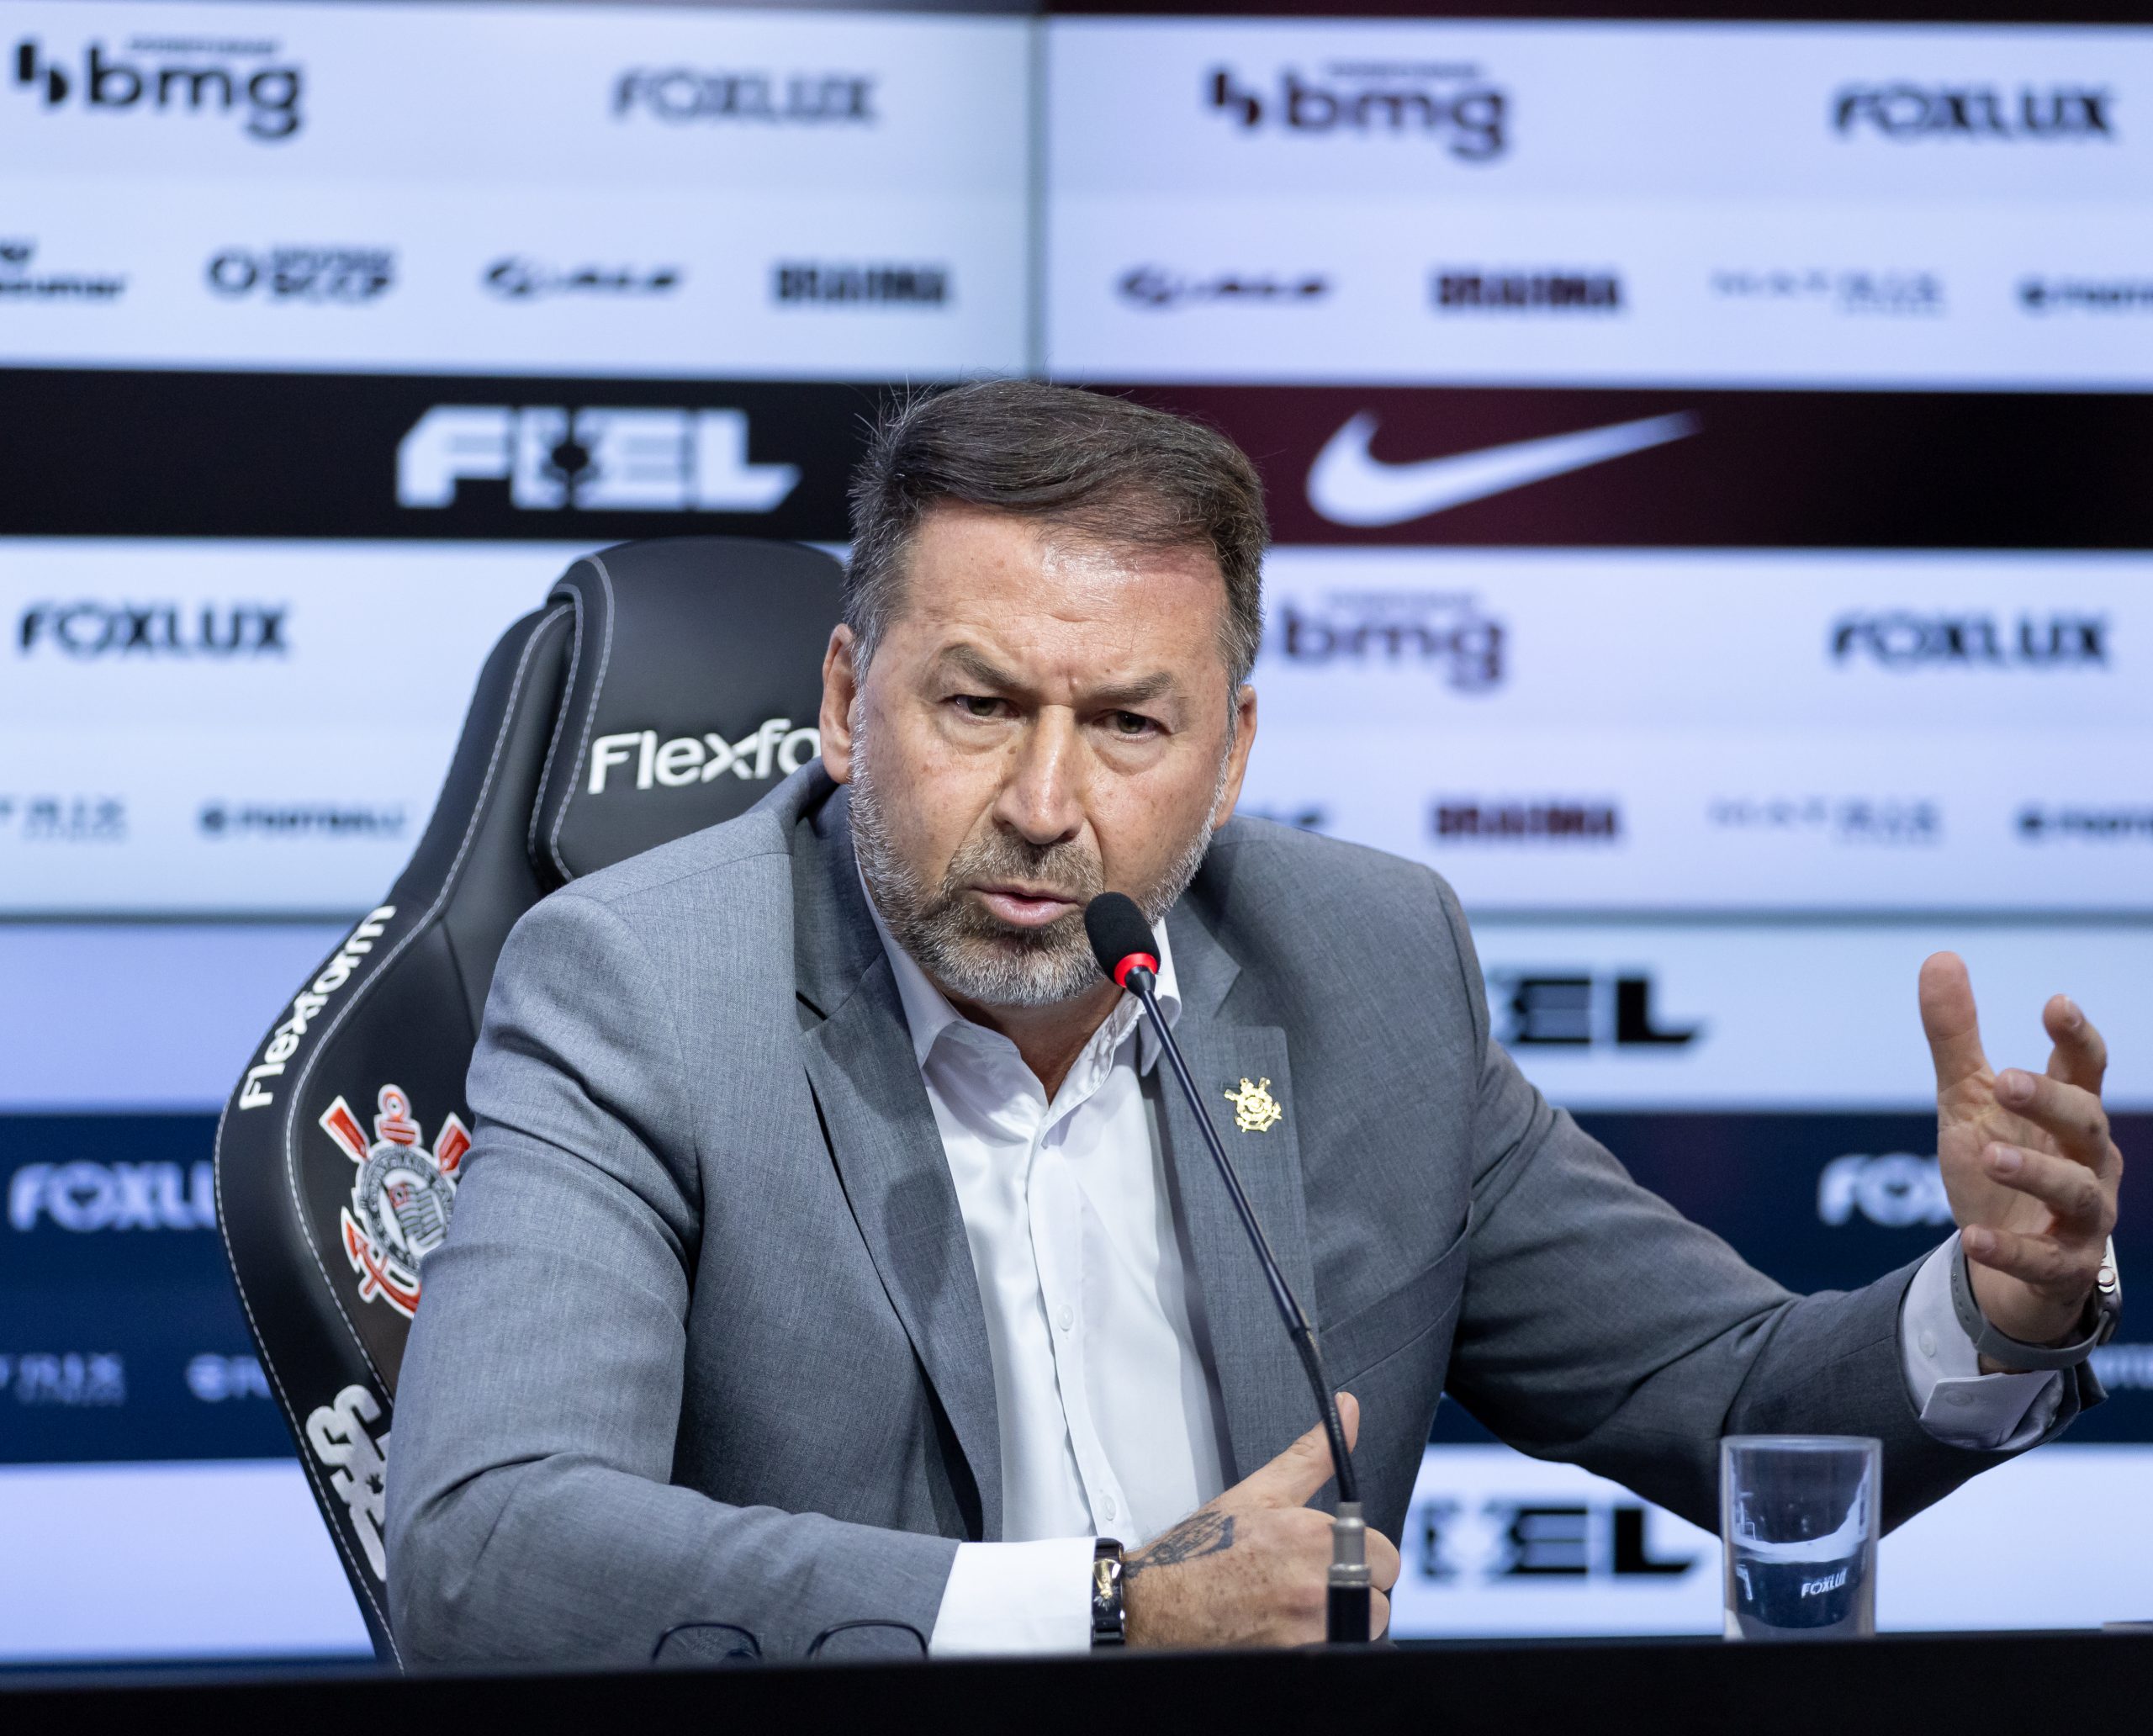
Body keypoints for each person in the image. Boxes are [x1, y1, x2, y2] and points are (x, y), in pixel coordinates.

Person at [385, 380, 2122, 1663]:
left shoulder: (1364, 963)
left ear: (1229, 758)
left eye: (1131, 727)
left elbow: (1725, 1402)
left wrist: (1990, 1306)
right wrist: (1107, 1614)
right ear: (847, 703)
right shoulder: (635, 985)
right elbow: (488, 1551)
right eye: (978, 705)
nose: (1047, 803)